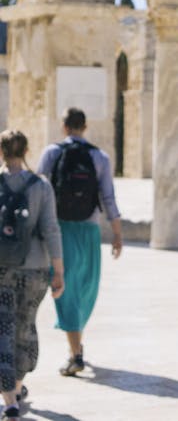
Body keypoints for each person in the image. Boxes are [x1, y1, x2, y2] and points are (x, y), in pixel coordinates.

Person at [36, 108, 123, 377]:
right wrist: (117, 233)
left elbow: (38, 190)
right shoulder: (99, 157)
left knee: (67, 289)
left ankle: (75, 351)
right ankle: (76, 350)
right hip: (90, 229)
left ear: (64, 127)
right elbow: (108, 197)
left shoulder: (51, 153)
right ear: (85, 127)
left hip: (60, 229)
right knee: (85, 288)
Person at [0, 130, 64, 419]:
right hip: (35, 268)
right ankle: (17, 384)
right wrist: (58, 271)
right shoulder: (41, 185)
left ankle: (10, 400)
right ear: (26, 150)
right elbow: (51, 228)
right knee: (25, 328)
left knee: (3, 330)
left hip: (2, 269)